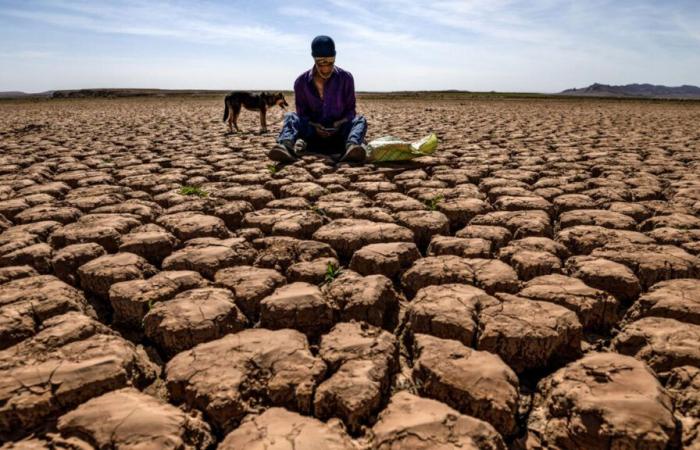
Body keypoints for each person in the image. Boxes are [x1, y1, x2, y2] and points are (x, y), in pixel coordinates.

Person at [270, 35, 368, 163]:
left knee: (360, 120)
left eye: (330, 62)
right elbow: (302, 114)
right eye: (321, 63)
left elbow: (350, 111)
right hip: (313, 134)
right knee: (291, 117)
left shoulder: (346, 78)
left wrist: (338, 124)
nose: (326, 68)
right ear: (314, 58)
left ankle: (352, 148)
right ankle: (285, 146)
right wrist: (315, 125)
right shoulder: (301, 82)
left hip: (339, 134)